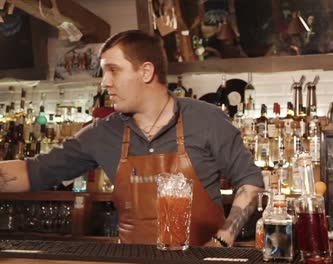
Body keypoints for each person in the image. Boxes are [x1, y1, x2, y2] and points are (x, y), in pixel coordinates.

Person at [0, 30, 263, 247]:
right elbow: (33, 171)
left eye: (113, 70)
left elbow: (250, 182)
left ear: (146, 72)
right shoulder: (102, 132)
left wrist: (223, 238)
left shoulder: (207, 119)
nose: (105, 82)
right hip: (131, 259)